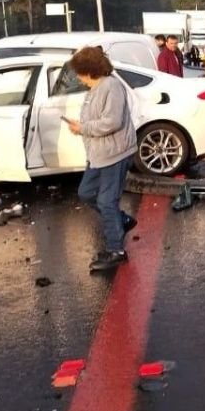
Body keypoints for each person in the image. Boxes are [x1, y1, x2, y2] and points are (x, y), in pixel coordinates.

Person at [65, 47, 138, 273]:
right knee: (86, 193)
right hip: (98, 154)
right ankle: (121, 221)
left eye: (80, 72)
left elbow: (112, 121)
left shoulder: (111, 86)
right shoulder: (94, 89)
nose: (78, 77)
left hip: (115, 153)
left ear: (90, 70)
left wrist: (83, 128)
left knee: (107, 201)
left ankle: (116, 250)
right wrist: (82, 129)